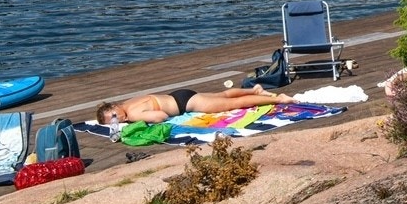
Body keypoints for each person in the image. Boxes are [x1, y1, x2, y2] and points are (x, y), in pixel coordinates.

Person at [96, 86, 297, 125]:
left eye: (114, 116)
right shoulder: (127, 103)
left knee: (231, 104)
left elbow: (161, 117)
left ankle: (279, 99)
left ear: (114, 108)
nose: (117, 120)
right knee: (223, 94)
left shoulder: (132, 113)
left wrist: (133, 121)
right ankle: (254, 90)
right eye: (112, 121)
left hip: (186, 103)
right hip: (179, 94)